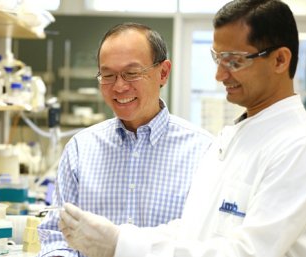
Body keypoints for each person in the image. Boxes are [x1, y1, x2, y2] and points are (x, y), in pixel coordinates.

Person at [58, 1, 306, 257]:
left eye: (234, 61)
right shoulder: (236, 137)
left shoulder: (298, 146)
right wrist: (121, 238)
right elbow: (194, 228)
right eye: (218, 60)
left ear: (279, 60)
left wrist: (121, 244)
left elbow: (247, 252)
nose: (219, 75)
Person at [37, 22, 213, 257]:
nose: (119, 86)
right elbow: (55, 234)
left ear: (163, 73)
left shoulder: (204, 152)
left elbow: (207, 241)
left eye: (131, 73)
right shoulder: (81, 149)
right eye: (108, 75)